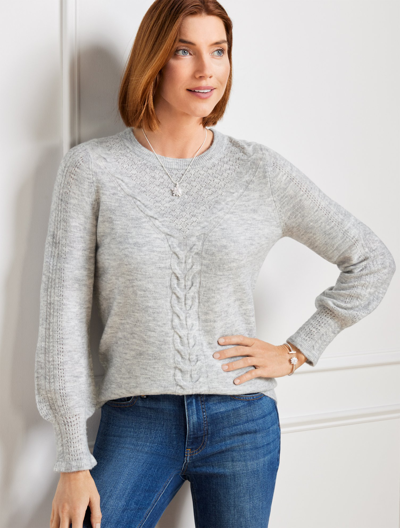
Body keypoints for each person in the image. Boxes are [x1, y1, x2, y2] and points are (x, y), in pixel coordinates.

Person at [34, 1, 396, 527]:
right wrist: (72, 457)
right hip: (138, 420)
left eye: (219, 51)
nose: (206, 70)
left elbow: (371, 259)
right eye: (184, 51)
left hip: (242, 420)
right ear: (154, 61)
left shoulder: (260, 171)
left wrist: (297, 351)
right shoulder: (92, 169)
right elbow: (62, 313)